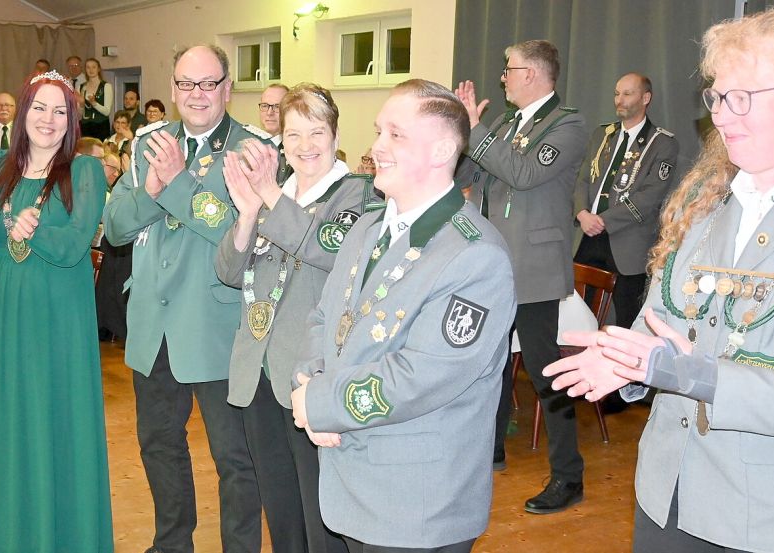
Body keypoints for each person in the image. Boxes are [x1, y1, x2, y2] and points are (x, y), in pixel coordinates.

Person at [545, 9, 774, 553]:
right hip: (666, 494)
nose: (722, 116)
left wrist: (696, 374)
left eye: (742, 96)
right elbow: (658, 324)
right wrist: (629, 361)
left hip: (764, 518)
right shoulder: (702, 210)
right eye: (717, 96)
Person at [289, 78, 516, 553]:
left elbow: (422, 375)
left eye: (395, 134)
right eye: (378, 132)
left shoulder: (475, 255)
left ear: (440, 151)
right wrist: (309, 384)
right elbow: (323, 318)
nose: (376, 147)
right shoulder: (369, 227)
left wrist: (323, 404)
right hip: (351, 480)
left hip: (417, 505)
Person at [0, 70, 113, 553]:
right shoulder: (0, 161)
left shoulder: (84, 171)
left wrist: (29, 230)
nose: (49, 118)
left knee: (53, 421)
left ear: (71, 120)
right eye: (40, 107)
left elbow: (76, 246)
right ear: (23, 111)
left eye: (61, 110)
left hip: (59, 319)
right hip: (7, 310)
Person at [103, 44, 264, 553]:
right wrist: (152, 189)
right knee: (159, 446)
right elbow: (116, 228)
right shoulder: (148, 142)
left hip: (215, 324)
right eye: (187, 84)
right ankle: (172, 543)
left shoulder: (254, 149)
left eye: (209, 83)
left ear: (227, 88)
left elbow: (236, 232)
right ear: (172, 89)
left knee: (235, 457)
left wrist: (174, 186)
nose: (197, 95)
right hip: (154, 324)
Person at [217, 83, 371, 553]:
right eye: (294, 133)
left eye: (316, 132)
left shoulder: (356, 195)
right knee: (280, 504)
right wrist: (247, 214)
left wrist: (267, 195)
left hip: (309, 371)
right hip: (258, 367)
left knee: (318, 505)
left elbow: (328, 248)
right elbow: (226, 271)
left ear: (335, 133)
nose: (304, 146)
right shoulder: (274, 195)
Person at [456, 39, 588, 514]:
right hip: (493, 264)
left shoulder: (568, 123)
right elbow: (467, 175)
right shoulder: (508, 124)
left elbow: (526, 173)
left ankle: (568, 475)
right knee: (486, 364)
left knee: (545, 372)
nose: (503, 79)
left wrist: (478, 130)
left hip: (532, 268)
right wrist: (460, 130)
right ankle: (487, 450)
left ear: (531, 73)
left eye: (509, 70)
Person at [574, 73, 680, 330]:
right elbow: (582, 180)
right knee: (576, 316)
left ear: (646, 98)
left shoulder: (662, 143)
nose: (619, 100)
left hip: (628, 242)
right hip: (587, 236)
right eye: (616, 93)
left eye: (627, 94)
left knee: (627, 322)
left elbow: (650, 196)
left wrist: (603, 220)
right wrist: (582, 213)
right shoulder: (603, 135)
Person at [258, 83, 292, 185]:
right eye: (265, 106)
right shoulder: (251, 145)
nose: (269, 112)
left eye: (277, 107)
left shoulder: (296, 152)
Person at [78, 58, 112, 140]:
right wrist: (82, 105)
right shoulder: (81, 87)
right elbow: (79, 114)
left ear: (98, 69)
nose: (91, 70)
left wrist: (94, 103)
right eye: (88, 67)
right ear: (85, 70)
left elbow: (107, 112)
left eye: (94, 67)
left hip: (101, 126)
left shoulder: (106, 86)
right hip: (85, 126)